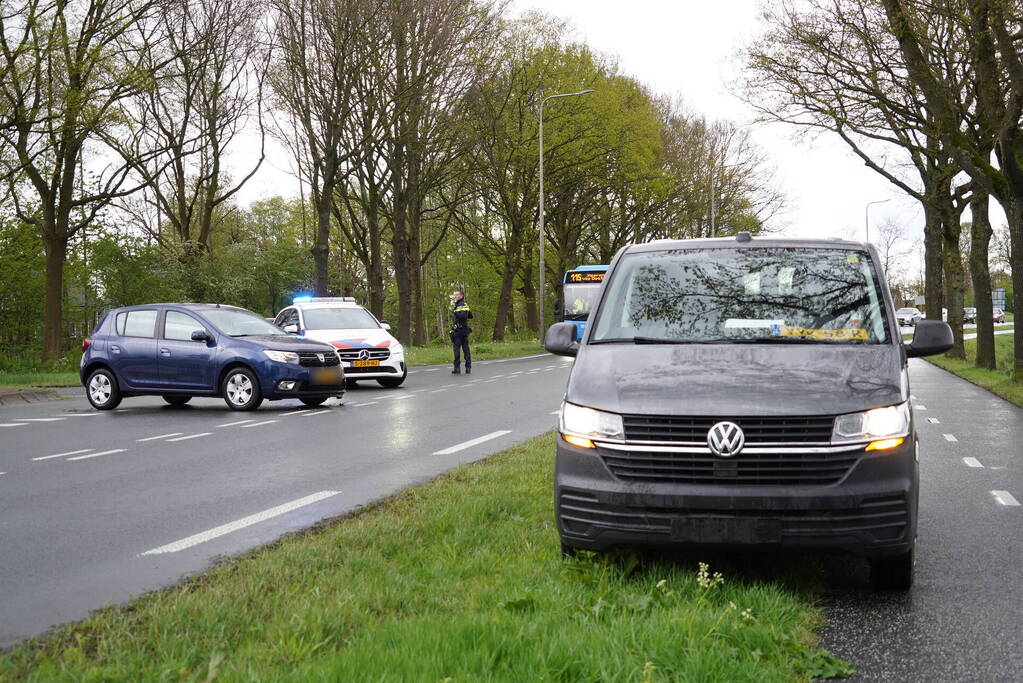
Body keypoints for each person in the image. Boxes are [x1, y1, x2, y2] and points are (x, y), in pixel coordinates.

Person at [450, 290, 473, 374]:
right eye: (454, 294)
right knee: (466, 349)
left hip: (458, 330)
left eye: (456, 294)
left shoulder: (459, 305)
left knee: (456, 349)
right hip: (465, 330)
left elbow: (462, 316)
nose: (454, 296)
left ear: (461, 296)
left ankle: (457, 368)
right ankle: (468, 367)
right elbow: (470, 316)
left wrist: (456, 316)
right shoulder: (465, 304)